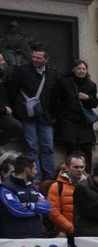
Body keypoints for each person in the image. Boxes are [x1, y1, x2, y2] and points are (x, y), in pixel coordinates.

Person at [5, 46, 62, 177]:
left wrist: (53, 116)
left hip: (46, 117)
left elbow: (55, 96)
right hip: (27, 116)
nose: (35, 60)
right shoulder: (22, 71)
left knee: (48, 146)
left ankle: (49, 177)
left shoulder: (52, 74)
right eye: (33, 57)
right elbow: (12, 91)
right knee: (32, 147)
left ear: (46, 59)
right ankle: (35, 177)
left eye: (38, 58)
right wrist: (18, 111)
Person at [54, 60, 98, 159]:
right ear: (73, 69)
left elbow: (95, 103)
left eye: (84, 69)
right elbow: (56, 99)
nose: (81, 71)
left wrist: (88, 98)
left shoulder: (91, 85)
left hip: (84, 123)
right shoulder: (64, 82)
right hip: (68, 121)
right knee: (72, 151)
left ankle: (87, 173)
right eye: (79, 68)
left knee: (87, 151)